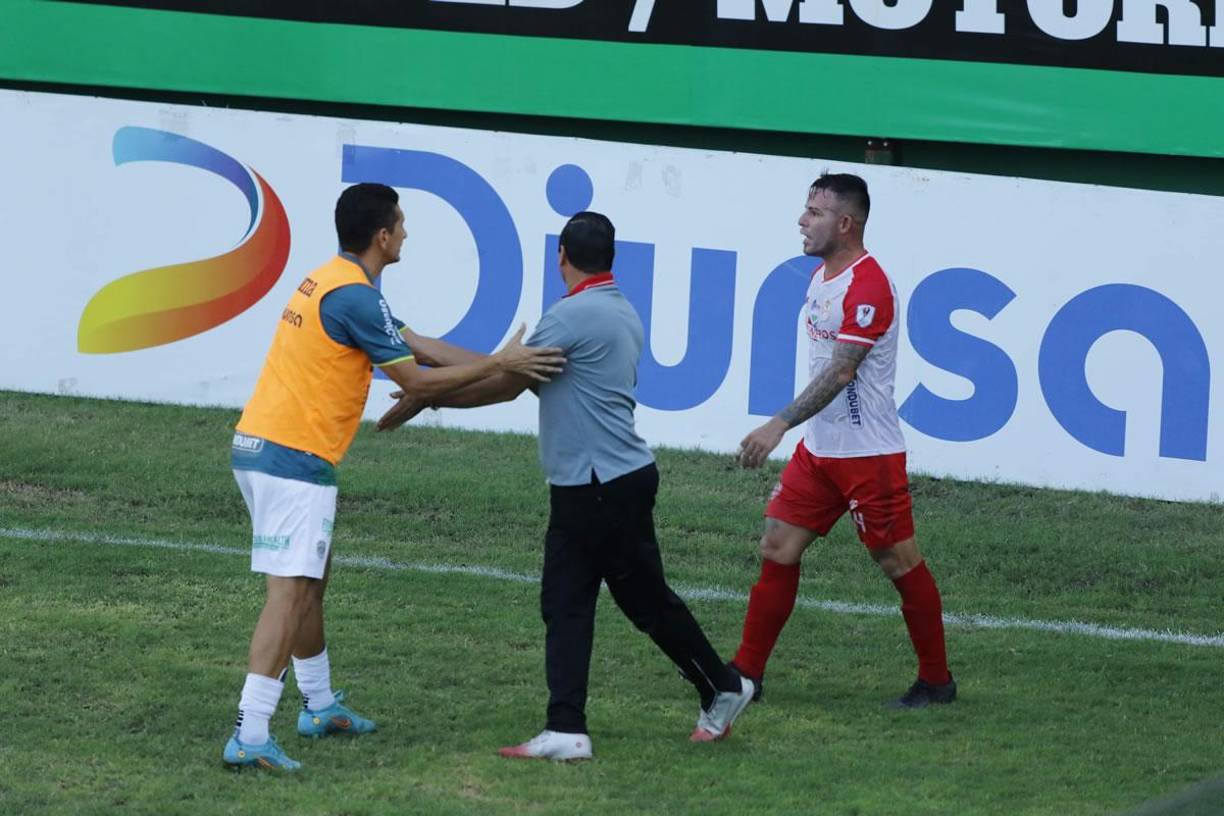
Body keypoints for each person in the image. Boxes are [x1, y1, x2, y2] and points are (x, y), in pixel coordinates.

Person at [378, 211, 754, 760]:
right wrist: (427, 374)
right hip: (598, 484)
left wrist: (424, 379)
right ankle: (567, 727)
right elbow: (517, 376)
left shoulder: (571, 316)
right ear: (611, 256)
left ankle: (721, 686)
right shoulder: (616, 309)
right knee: (568, 602)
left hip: (600, 486)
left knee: (638, 604)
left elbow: (504, 381)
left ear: (561, 256)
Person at [222, 182, 564, 771]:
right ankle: (250, 732)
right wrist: (502, 366)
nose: (406, 233)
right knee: (289, 593)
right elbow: (419, 381)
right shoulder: (355, 297)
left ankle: (320, 705)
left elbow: (422, 348)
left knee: (311, 581)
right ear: (383, 236)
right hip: (293, 461)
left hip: (261, 449)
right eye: (401, 225)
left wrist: (510, 372)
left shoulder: (338, 281)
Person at [731, 173, 955, 709]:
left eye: (814, 212)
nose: (802, 221)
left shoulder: (869, 287)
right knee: (777, 546)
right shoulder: (824, 275)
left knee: (898, 561)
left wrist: (778, 423)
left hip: (867, 458)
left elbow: (840, 375)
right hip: (821, 452)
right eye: (806, 209)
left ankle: (937, 681)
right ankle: (744, 675)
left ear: (845, 223)